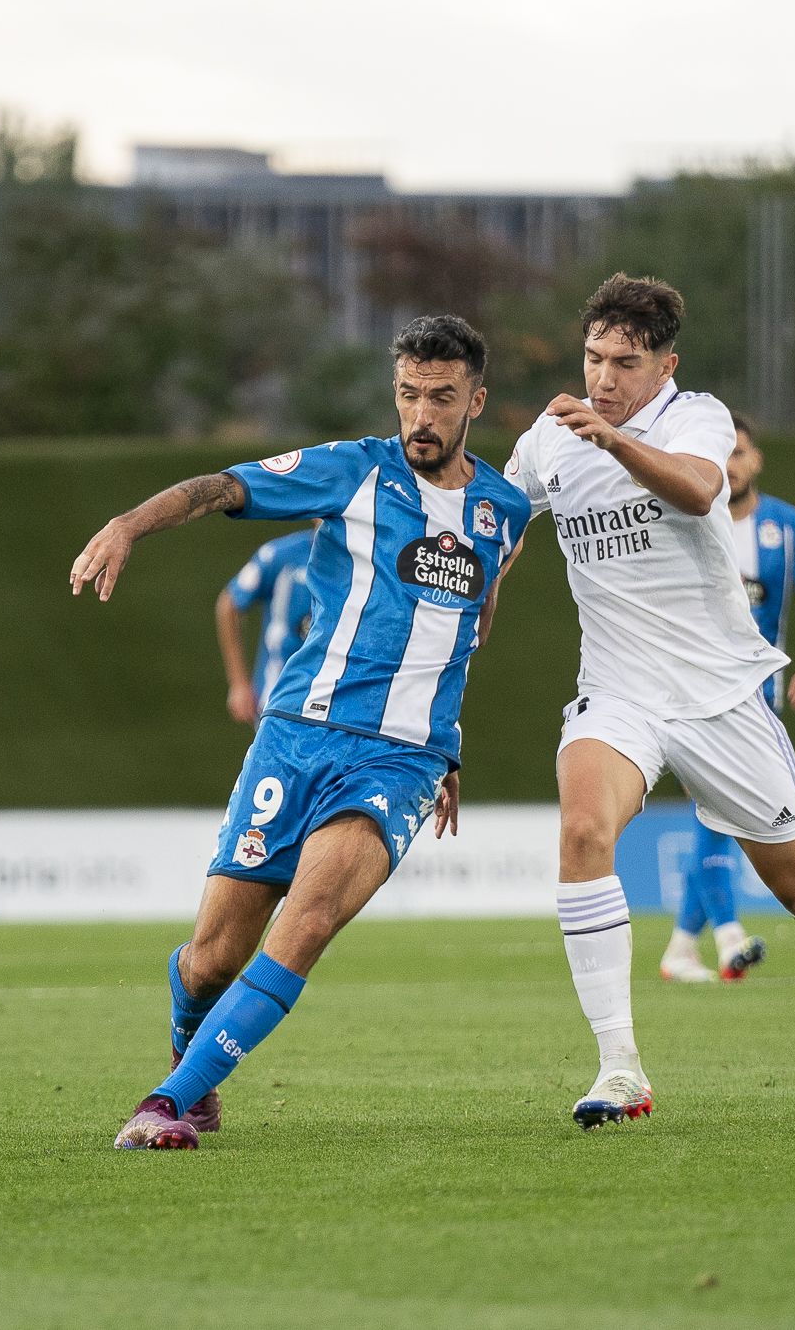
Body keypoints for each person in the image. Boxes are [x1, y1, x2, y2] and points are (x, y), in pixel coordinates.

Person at [71, 315, 532, 1150]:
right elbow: (222, 487)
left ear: (476, 400)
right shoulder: (352, 471)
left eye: (440, 398)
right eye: (408, 395)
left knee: (310, 917)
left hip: (400, 759)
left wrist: (444, 734)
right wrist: (129, 524)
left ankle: (170, 1100)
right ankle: (194, 1059)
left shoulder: (504, 508)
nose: (421, 416)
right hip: (297, 736)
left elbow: (473, 623)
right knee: (212, 957)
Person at [503, 273, 795, 1126]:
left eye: (625, 363)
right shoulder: (550, 440)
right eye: (593, 357)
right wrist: (476, 599)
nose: (603, 379)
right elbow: (499, 523)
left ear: (665, 364)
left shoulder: (693, 417)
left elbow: (701, 488)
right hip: (617, 689)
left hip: (718, 696)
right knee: (585, 828)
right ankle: (620, 1067)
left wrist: (613, 440)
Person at [658, 413, 795, 984]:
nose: (731, 465)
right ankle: (729, 936)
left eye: (740, 453)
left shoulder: (789, 527)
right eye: (723, 452)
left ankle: (682, 947)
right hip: (690, 696)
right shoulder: (683, 518)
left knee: (722, 815)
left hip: (759, 697)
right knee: (721, 816)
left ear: (756, 459)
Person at [214, 526, 316, 725]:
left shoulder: (366, 561)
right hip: (276, 696)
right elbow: (229, 603)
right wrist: (238, 683)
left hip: (336, 700)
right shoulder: (281, 555)